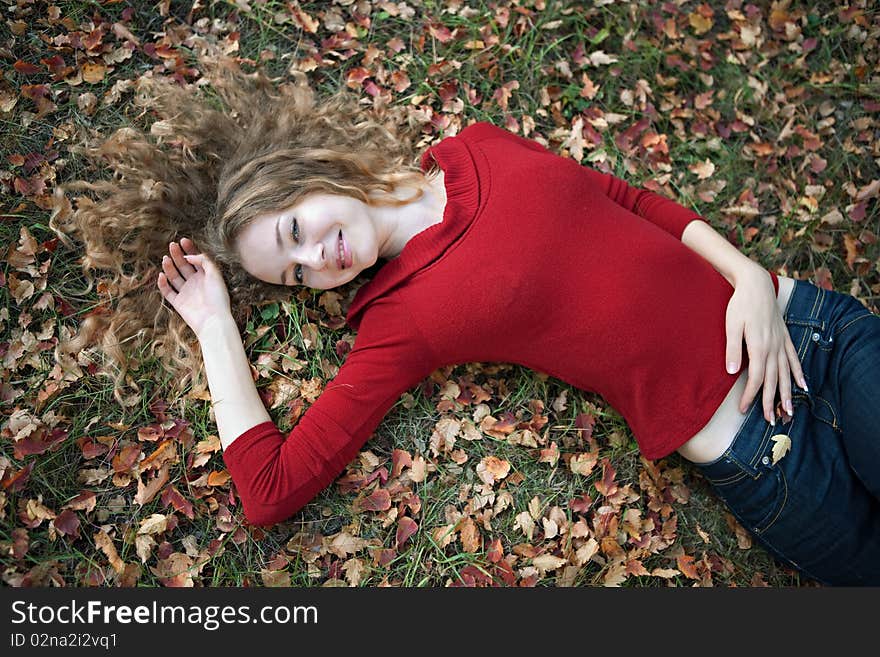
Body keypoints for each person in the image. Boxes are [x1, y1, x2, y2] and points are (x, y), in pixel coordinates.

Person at [55, 62, 880, 586]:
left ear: (304, 176)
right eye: (295, 273)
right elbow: (269, 490)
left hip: (810, 330)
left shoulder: (477, 146)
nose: (317, 260)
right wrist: (213, 327)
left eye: (295, 230)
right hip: (761, 452)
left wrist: (749, 283)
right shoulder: (399, 320)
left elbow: (627, 201)